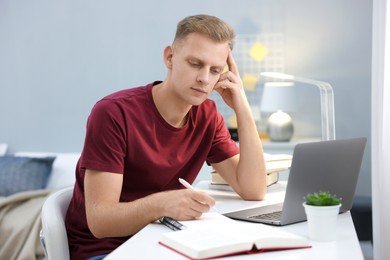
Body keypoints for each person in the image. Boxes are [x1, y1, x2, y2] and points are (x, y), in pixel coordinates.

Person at [65, 14, 267, 260]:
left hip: (166, 243)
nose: (204, 78)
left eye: (215, 70)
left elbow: (253, 189)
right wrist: (164, 204)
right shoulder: (113, 113)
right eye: (195, 64)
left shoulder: (208, 117)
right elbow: (100, 222)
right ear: (170, 57)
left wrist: (242, 106)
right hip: (106, 251)